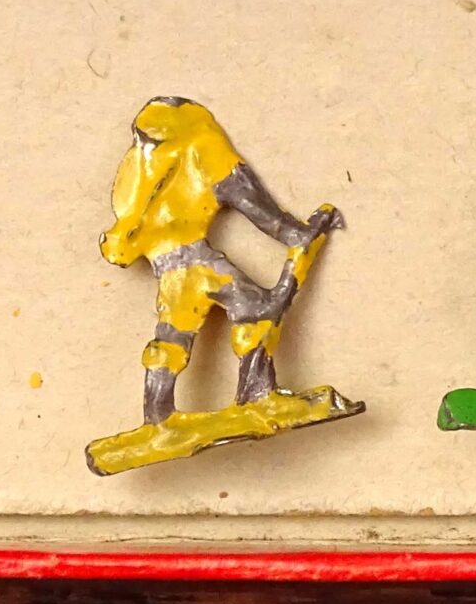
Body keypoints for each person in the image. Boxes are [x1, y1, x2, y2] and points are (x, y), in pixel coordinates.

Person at [98, 97, 342, 429]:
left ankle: (158, 415)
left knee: (174, 333)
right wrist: (299, 235)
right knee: (255, 311)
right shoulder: (205, 148)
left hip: (170, 266)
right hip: (194, 263)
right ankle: (252, 396)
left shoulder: (140, 162)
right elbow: (256, 206)